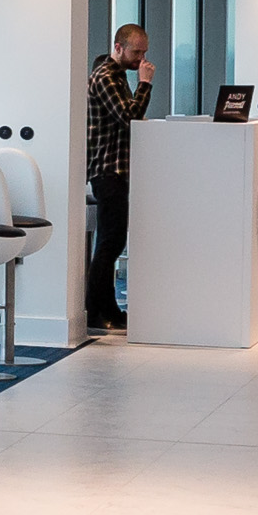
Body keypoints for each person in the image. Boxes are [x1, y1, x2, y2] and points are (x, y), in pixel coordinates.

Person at [87, 22, 151, 332]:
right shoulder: (106, 77)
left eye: (144, 53)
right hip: (107, 169)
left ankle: (108, 307)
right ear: (118, 48)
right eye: (136, 52)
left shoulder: (117, 77)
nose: (141, 59)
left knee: (113, 241)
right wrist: (145, 84)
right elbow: (129, 116)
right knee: (109, 242)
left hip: (118, 169)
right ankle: (95, 310)